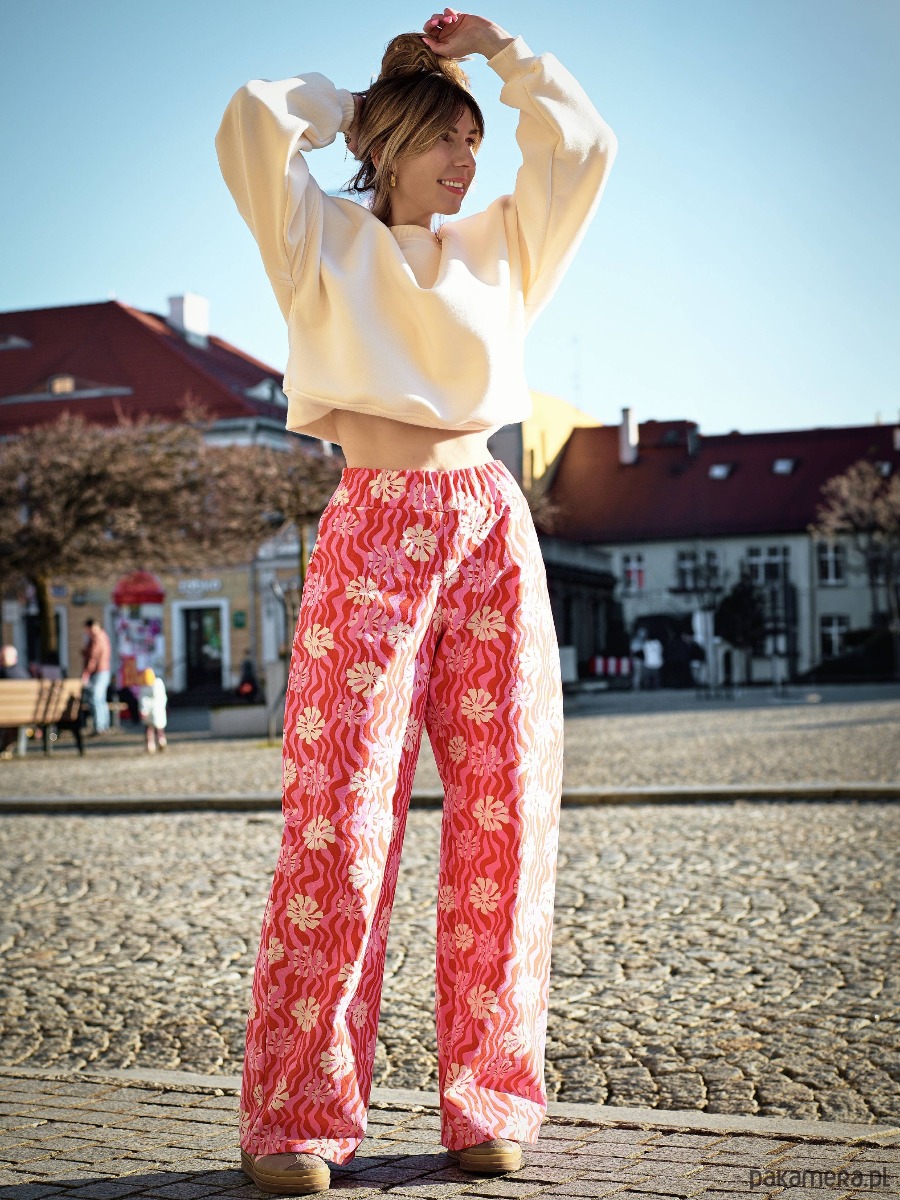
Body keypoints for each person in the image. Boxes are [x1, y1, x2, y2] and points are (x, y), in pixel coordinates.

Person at [216, 7, 617, 1195]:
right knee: (339, 821)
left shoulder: (506, 243)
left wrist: (501, 58)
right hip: (374, 525)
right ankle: (297, 1115)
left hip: (490, 523)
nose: (465, 159)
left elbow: (585, 145)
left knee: (506, 818)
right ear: (386, 146)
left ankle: (489, 1099)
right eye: (444, 137)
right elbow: (252, 121)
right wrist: (366, 101)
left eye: (473, 140)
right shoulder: (318, 238)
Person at [81, 618, 112, 735]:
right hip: (104, 671)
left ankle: (99, 726)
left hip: (98, 672)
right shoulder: (104, 636)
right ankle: (104, 725)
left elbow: (93, 658)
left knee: (95, 698)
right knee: (101, 699)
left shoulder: (96, 639)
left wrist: (86, 672)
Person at [137, 668, 168, 753]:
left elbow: (144, 700)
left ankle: (155, 743)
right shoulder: (155, 685)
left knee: (153, 728)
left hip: (155, 710)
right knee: (155, 728)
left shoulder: (154, 685)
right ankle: (155, 743)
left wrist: (144, 710)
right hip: (156, 710)